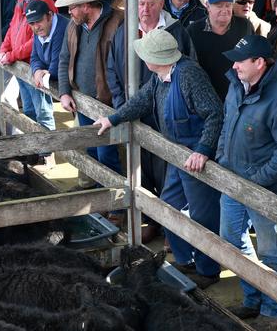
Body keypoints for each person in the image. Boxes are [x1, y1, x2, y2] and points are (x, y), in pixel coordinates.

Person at [95, 29, 223, 289]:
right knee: (168, 206)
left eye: (145, 54)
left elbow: (215, 113)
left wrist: (203, 149)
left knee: (202, 215)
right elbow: (142, 100)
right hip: (175, 154)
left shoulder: (189, 75)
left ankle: (208, 271)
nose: (142, 58)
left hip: (195, 159)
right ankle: (186, 260)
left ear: (158, 58)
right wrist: (113, 118)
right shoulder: (159, 76)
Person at [107, 0, 196, 242]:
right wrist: (121, 104)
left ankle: (171, 225)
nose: (145, 10)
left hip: (167, 116)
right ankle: (151, 220)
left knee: (168, 171)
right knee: (140, 168)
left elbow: (189, 72)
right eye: (141, 4)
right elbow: (112, 68)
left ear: (161, 4)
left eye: (151, 4)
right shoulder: (125, 31)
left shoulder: (176, 32)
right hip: (135, 114)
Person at [217, 35, 277, 330]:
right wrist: (221, 157)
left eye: (240, 60)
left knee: (273, 250)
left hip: (264, 189)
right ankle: (252, 297)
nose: (234, 65)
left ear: (259, 63)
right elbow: (225, 123)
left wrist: (257, 183)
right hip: (233, 179)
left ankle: (275, 308)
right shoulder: (235, 85)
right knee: (232, 240)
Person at [56, 0, 124, 186]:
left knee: (108, 156)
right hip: (82, 100)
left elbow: (124, 67)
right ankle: (98, 199)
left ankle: (117, 208)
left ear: (86, 6)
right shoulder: (74, 25)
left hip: (107, 103)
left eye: (72, 7)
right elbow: (64, 58)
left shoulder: (118, 22)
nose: (69, 11)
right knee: (91, 151)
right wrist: (64, 92)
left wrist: (119, 105)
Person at [0, 0, 56, 123]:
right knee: (30, 110)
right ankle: (35, 148)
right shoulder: (22, 0)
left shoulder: (46, 3)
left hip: (36, 65)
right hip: (22, 63)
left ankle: (45, 149)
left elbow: (39, 39)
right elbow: (12, 27)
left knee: (43, 113)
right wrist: (5, 49)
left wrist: (11, 54)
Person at [187, 0, 253, 100]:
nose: (224, 10)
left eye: (228, 5)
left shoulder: (244, 26)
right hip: (204, 97)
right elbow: (187, 67)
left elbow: (253, 58)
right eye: (219, 6)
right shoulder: (193, 30)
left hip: (238, 96)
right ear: (208, 6)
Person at [27, 0, 69, 132]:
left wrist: (47, 72)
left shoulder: (62, 29)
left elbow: (57, 66)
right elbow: (34, 57)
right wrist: (38, 70)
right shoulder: (40, 30)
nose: (36, 27)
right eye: (32, 23)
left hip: (72, 85)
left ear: (50, 16)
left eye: (38, 21)